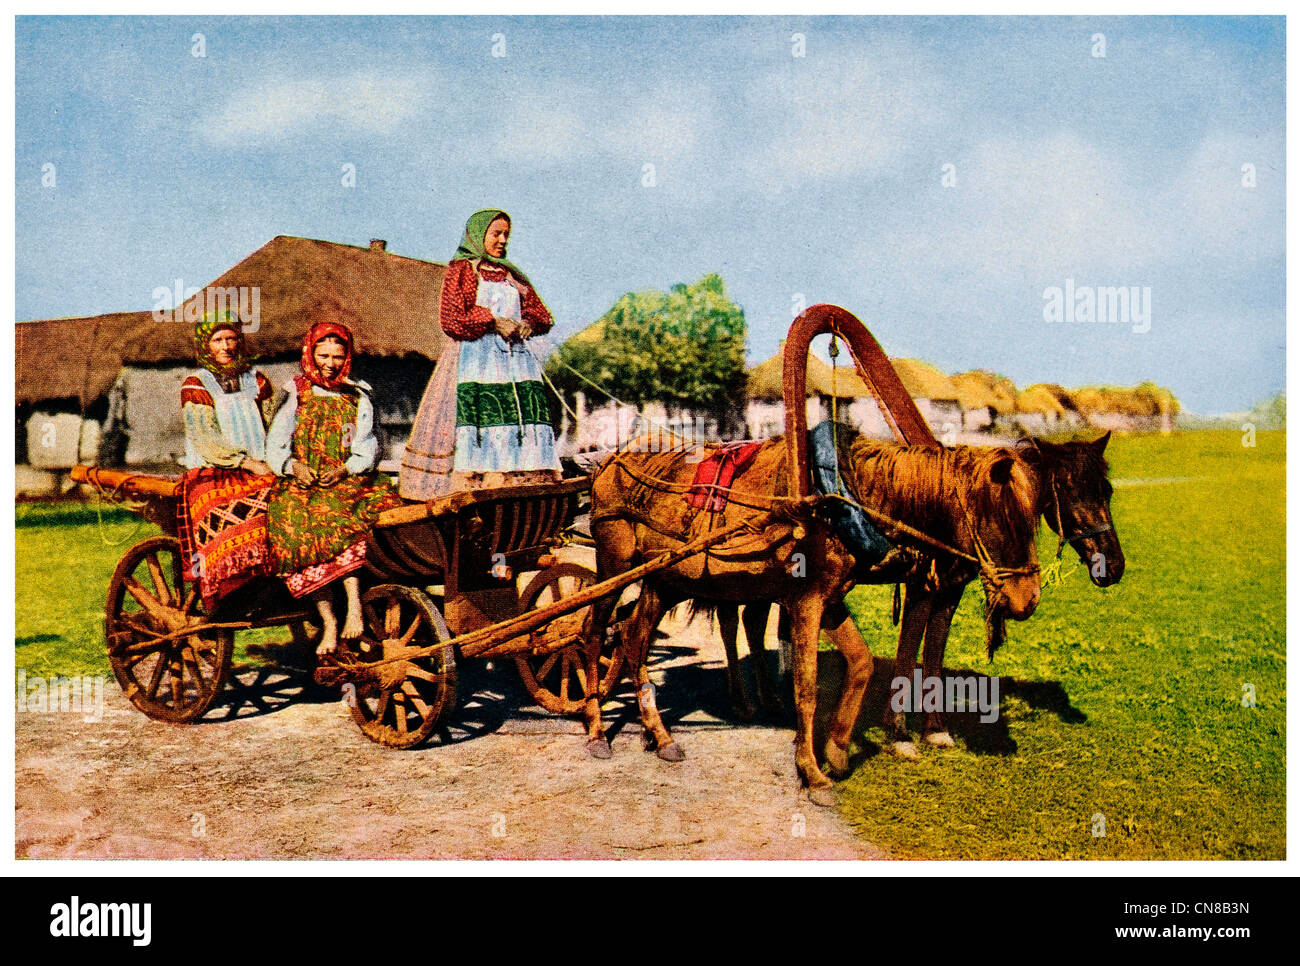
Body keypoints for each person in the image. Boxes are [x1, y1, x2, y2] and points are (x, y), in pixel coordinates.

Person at [400, 208, 562, 500]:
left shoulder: (512, 276)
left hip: (515, 363)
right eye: (496, 234)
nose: (502, 241)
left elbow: (542, 316)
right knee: (474, 419)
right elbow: (451, 319)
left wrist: (526, 325)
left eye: (506, 235)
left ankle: (517, 489)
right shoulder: (461, 270)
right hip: (474, 358)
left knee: (517, 421)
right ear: (478, 235)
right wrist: (492, 320)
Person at [265, 319, 403, 655]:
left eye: (338, 357)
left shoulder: (358, 395)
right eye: (323, 355)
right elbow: (276, 445)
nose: (330, 364)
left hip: (345, 480)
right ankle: (328, 620)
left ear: (347, 357)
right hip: (302, 485)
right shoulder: (295, 393)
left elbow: (368, 446)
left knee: (344, 514)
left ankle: (354, 603)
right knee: (295, 528)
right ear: (311, 354)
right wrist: (293, 467)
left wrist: (345, 469)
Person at [177, 309, 277, 609]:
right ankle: (231, 586)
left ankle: (277, 579)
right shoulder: (197, 384)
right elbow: (205, 438)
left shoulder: (256, 380)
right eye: (217, 340)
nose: (226, 346)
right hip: (216, 470)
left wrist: (274, 459)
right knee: (235, 512)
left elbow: (272, 423)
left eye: (231, 338)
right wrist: (244, 462)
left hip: (262, 465)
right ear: (205, 345)